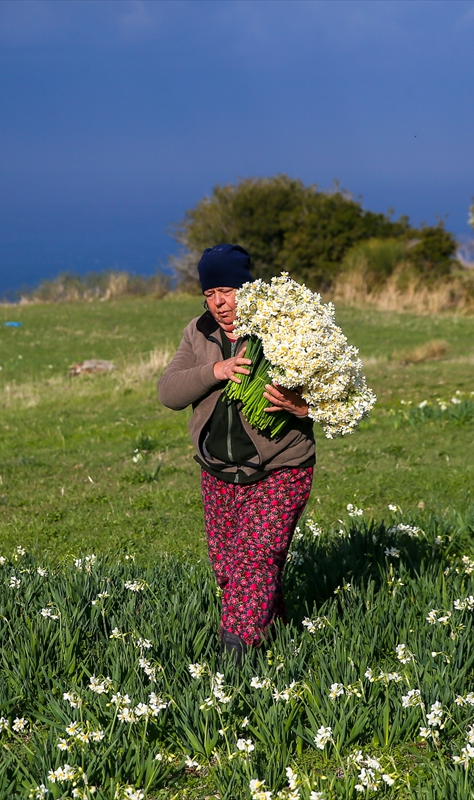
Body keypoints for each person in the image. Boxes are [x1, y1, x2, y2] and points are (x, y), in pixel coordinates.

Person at [158, 244, 315, 662]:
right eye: (210, 293)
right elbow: (169, 392)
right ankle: (278, 637)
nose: (219, 303)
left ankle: (235, 664)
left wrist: (301, 407)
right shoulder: (198, 332)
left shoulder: (284, 330)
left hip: (282, 467)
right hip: (218, 471)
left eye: (227, 290)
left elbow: (334, 397)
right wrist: (216, 371)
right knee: (230, 571)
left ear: (249, 289)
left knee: (254, 560)